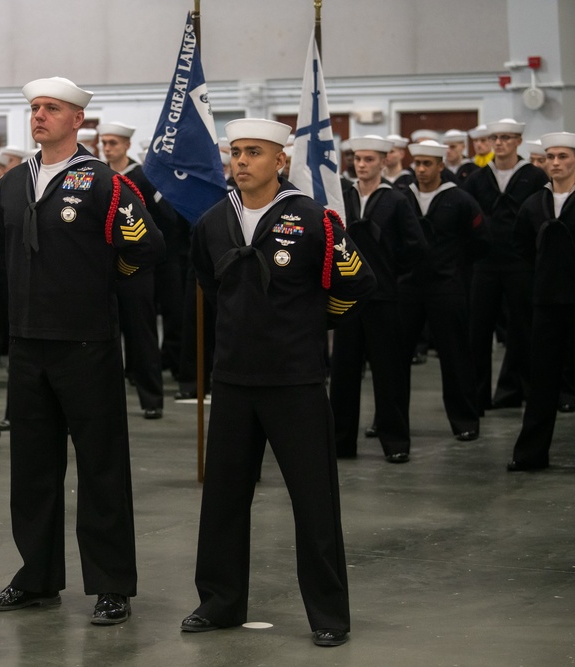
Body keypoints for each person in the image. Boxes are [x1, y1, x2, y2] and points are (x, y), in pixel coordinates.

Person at [182, 118, 376, 646]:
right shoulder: (212, 222)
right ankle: (219, 603)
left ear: (280, 161)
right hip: (235, 382)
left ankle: (328, 614)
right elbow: (208, 280)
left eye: (253, 152)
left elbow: (355, 282)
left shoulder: (316, 219)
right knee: (223, 500)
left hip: (296, 382)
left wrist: (316, 324)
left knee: (314, 503)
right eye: (235, 152)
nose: (241, 161)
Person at [0, 77, 165, 626]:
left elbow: (146, 247)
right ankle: (36, 577)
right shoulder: (11, 184)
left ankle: (111, 585)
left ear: (76, 120)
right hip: (28, 346)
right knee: (32, 471)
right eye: (34, 108)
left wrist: (99, 287)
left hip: (87, 345)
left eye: (51, 108)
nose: (39, 116)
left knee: (102, 468)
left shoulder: (104, 182)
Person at [330, 135, 427, 462]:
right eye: (357, 158)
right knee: (344, 373)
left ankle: (396, 442)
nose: (361, 164)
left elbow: (416, 247)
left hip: (384, 299)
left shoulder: (396, 200)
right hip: (347, 299)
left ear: (384, 161)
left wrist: (389, 272)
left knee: (390, 374)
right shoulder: (343, 196)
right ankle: (341, 443)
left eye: (369, 159)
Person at [400, 139, 488, 442]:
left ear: (440, 166)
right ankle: (391, 421)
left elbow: (479, 242)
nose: (421, 170)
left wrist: (454, 268)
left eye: (427, 164)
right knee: (396, 358)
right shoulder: (402, 198)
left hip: (446, 287)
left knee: (455, 356)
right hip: (408, 288)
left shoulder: (460, 200)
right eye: (417, 164)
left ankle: (465, 420)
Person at [463, 118, 548, 411]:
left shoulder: (534, 178)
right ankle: (477, 395)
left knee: (523, 328)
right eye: (495, 137)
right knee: (479, 330)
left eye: (506, 137)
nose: (499, 143)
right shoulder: (476, 178)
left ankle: (521, 390)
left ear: (518, 142)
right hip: (485, 264)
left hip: (519, 263)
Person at [507, 132, 575, 471]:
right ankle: (531, 453)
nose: (555, 163)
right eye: (550, 157)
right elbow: (520, 248)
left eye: (562, 156)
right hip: (547, 304)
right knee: (543, 381)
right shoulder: (535, 204)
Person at [98, 121, 166, 419]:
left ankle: (151, 399)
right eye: (105, 143)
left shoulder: (143, 177)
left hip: (136, 268)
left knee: (142, 335)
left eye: (113, 143)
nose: (108, 148)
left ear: (126, 145)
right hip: (103, 270)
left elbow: (159, 222)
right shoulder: (99, 176)